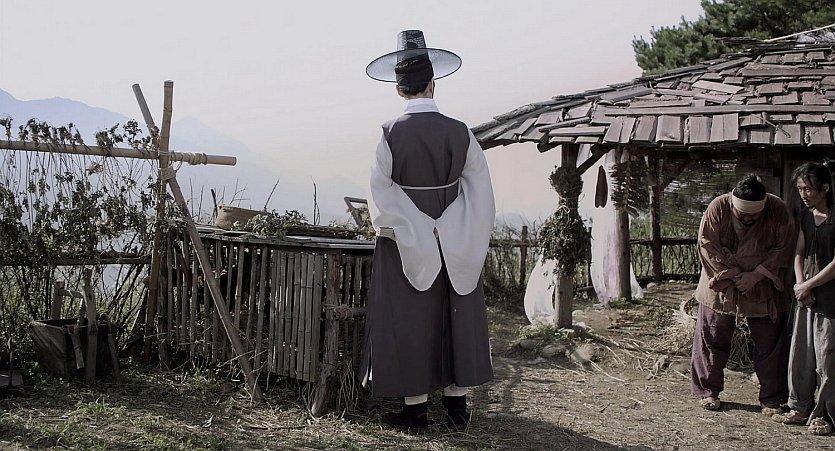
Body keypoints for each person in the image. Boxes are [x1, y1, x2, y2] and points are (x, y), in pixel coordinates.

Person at [359, 30, 496, 431]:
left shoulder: (388, 133)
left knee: (409, 316)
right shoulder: (460, 131)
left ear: (399, 89)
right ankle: (457, 406)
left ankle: (415, 410)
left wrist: (417, 227)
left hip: (405, 240)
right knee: (455, 314)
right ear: (433, 83)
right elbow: (481, 191)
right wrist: (451, 227)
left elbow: (378, 192)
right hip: (457, 238)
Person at [691, 174, 794, 414]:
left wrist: (755, 275)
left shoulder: (777, 210)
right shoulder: (718, 207)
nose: (747, 219)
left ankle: (772, 397)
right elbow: (707, 244)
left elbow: (784, 248)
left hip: (763, 283)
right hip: (722, 281)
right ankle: (708, 391)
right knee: (712, 335)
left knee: (770, 342)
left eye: (753, 216)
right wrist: (733, 275)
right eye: (742, 214)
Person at [771, 161, 835, 435]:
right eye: (800, 189)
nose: (804, 194)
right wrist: (800, 285)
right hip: (805, 296)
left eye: (808, 189)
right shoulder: (807, 217)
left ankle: (824, 415)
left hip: (830, 298)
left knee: (827, 357)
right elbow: (799, 251)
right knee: (802, 354)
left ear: (825, 188)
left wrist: (809, 284)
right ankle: (799, 406)